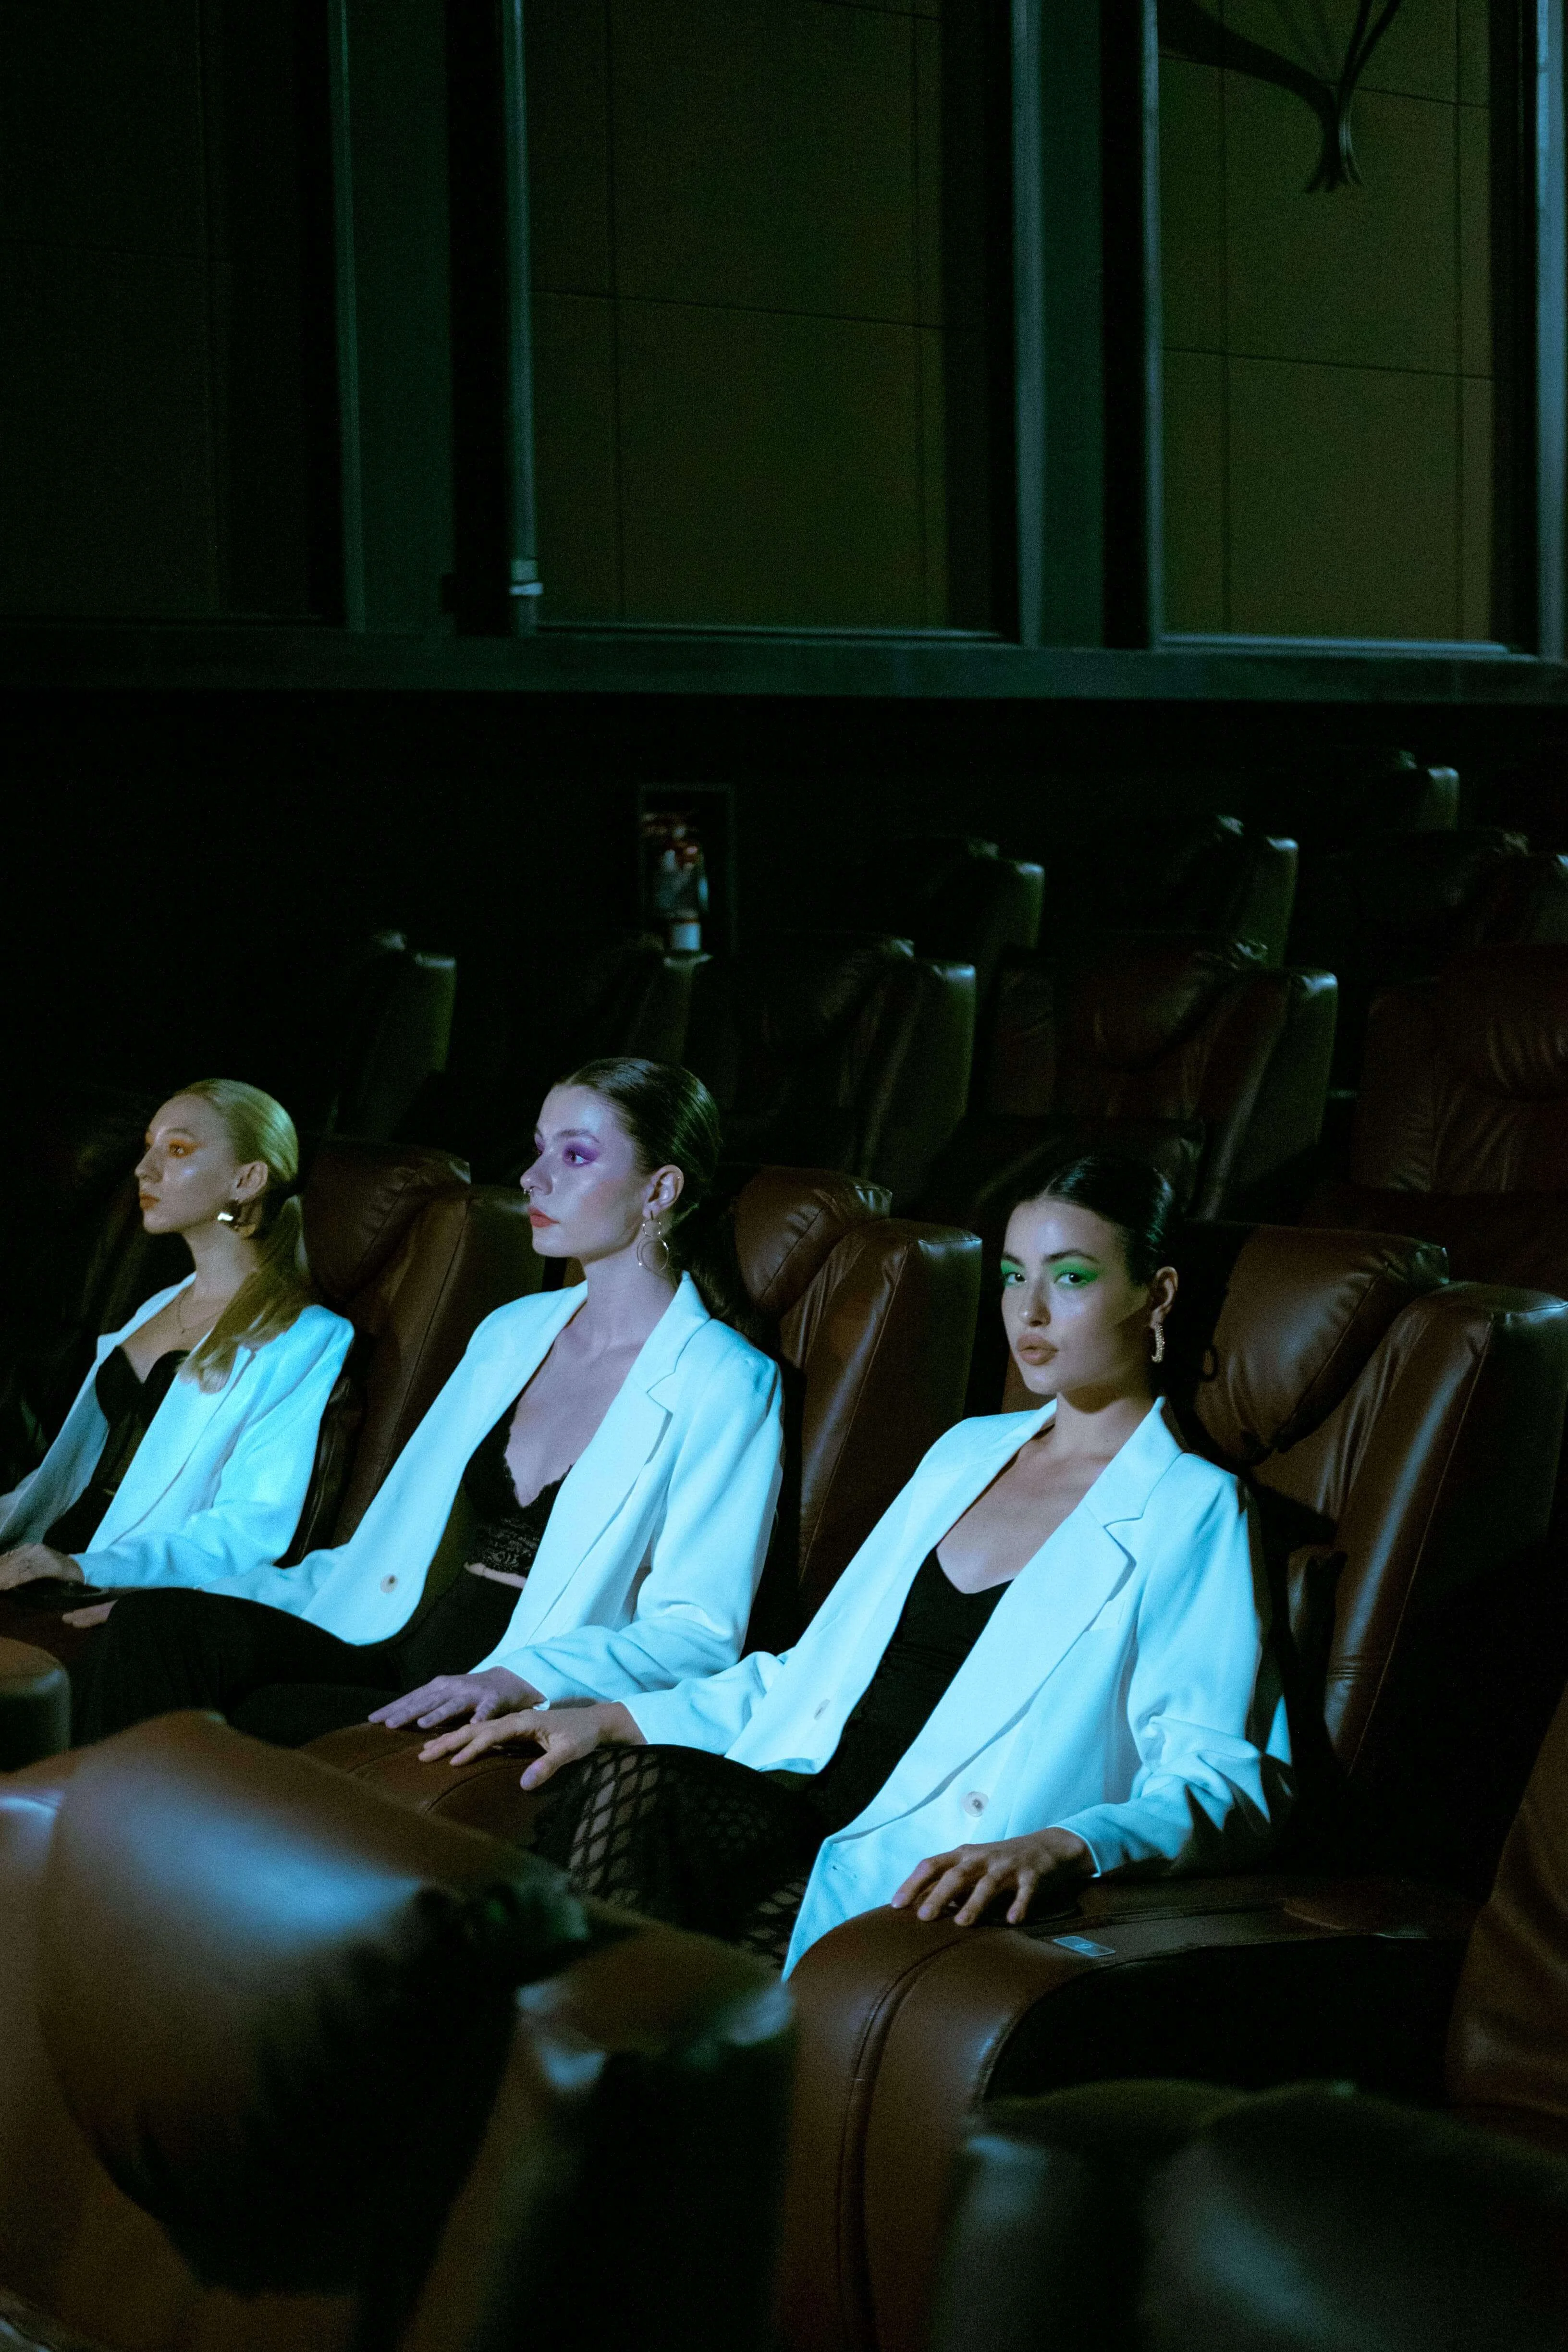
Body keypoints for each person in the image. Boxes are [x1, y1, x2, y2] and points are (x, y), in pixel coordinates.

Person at [420, 1153, 1293, 1976]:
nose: (1026, 1312)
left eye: (1068, 1277)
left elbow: (1216, 1777)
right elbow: (812, 1679)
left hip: (923, 1855)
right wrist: (614, 1716)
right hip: (798, 1800)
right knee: (613, 1784)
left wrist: (1068, 1843)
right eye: (1012, 1275)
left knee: (632, 1878)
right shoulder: (964, 1453)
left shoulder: (1191, 1506)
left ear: (1156, 1294)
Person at [70, 1058, 784, 1747]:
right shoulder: (513, 1332)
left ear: (659, 1190)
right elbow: (381, 1551)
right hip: (401, 1640)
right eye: (538, 1151)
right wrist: (202, 1600)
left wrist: (521, 1678)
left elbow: (696, 1632)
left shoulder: (725, 1380)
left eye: (575, 1157)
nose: (532, 1179)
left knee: (270, 1718)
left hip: (515, 1676)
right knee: (153, 1629)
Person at [0, 1080, 353, 1612]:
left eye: (179, 1149)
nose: (145, 1169)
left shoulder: (305, 1335)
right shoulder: (155, 1306)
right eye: (149, 1146)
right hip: (42, 1555)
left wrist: (86, 1570)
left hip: (115, 1587)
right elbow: (60, 1480)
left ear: (248, 1178)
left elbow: (248, 1527)